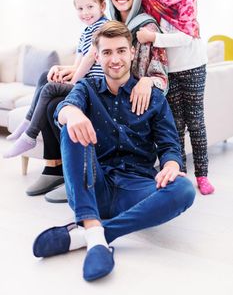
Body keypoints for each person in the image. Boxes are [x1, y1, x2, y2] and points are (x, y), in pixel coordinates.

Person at [32, 20, 196, 282]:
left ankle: (96, 234)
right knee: (72, 125)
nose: (115, 59)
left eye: (121, 50)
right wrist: (70, 112)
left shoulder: (153, 98)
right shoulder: (87, 88)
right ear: (97, 56)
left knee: (184, 189)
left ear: (132, 52)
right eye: (107, 52)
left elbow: (169, 146)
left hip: (135, 190)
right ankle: (92, 223)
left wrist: (171, 165)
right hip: (92, 186)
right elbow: (66, 108)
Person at [22, 0, 170, 203]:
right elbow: (96, 58)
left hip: (128, 97)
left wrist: (147, 81)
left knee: (56, 102)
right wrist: (70, 70)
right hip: (103, 87)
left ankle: (76, 176)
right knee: (55, 104)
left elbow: (161, 74)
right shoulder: (109, 22)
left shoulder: (147, 26)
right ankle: (57, 170)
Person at [136, 0, 214, 195]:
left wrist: (153, 37)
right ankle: (178, 172)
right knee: (174, 124)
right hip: (167, 70)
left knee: (196, 122)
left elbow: (186, 37)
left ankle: (202, 175)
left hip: (192, 65)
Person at [4, 0, 108, 159]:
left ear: (102, 6)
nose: (85, 12)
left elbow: (90, 60)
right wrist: (58, 69)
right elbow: (77, 65)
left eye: (90, 7)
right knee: (46, 75)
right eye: (80, 8)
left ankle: (29, 135)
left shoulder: (102, 27)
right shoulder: (85, 32)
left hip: (95, 86)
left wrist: (73, 83)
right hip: (84, 80)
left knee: (51, 88)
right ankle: (28, 121)